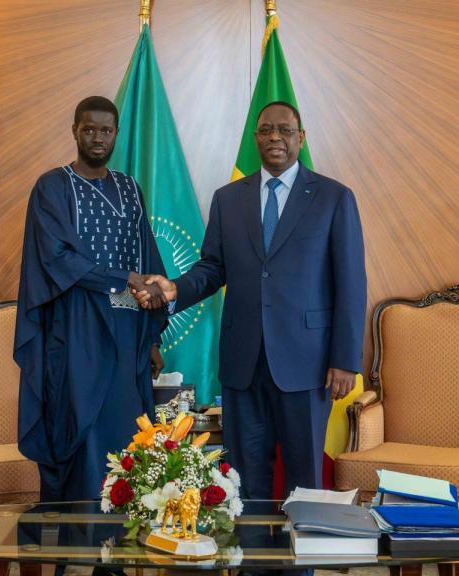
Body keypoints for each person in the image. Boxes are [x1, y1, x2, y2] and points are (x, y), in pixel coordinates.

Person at [135, 101, 367, 501]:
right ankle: (251, 559)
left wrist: (344, 359)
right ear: (256, 138)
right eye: (266, 130)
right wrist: (174, 289)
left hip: (306, 363)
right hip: (243, 364)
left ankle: (300, 565)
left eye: (285, 130)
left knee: (305, 479)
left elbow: (350, 283)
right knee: (245, 479)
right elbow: (212, 268)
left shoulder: (333, 198)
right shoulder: (229, 199)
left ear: (301, 138)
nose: (275, 137)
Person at [14, 96, 169, 503]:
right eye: (89, 129)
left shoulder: (129, 187)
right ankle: (81, 538)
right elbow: (59, 259)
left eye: (105, 130)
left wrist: (153, 337)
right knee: (86, 428)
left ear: (116, 134)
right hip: (78, 328)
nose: (97, 138)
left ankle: (121, 543)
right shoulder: (53, 186)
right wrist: (125, 277)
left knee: (127, 430)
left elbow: (148, 255)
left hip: (130, 329)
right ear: (75, 131)